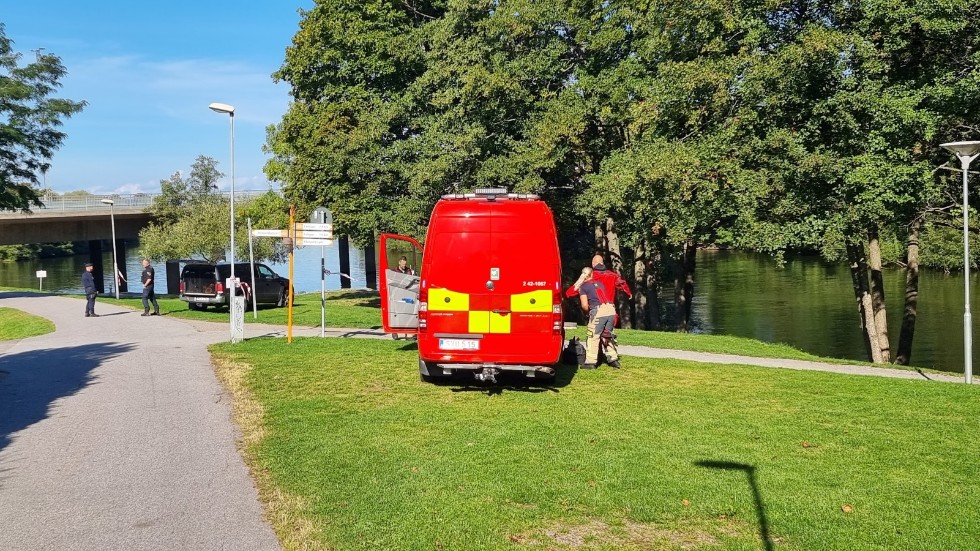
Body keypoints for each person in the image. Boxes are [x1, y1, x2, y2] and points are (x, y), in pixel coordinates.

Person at [565, 266, 620, 369]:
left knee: (593, 336)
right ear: (592, 274)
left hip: (599, 311)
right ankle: (613, 359)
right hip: (611, 310)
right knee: (607, 335)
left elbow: (584, 305)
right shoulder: (600, 284)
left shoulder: (583, 286)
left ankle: (590, 362)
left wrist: (588, 312)